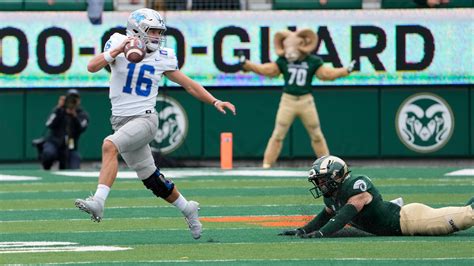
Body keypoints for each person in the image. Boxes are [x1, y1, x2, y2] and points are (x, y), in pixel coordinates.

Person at [75, 8, 236, 240]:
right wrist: (117, 51)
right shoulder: (118, 41)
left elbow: (189, 84)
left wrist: (214, 100)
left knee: (109, 145)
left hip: (145, 119)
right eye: (152, 31)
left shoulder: (163, 56)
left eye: (159, 32)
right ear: (136, 30)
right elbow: (92, 66)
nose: (156, 37)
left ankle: (98, 201)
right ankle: (187, 207)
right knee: (150, 178)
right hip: (121, 121)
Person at [279, 155, 474, 238]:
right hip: (399, 223)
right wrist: (303, 230)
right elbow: (325, 215)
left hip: (409, 221)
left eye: (322, 180)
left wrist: (322, 234)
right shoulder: (332, 197)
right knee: (465, 212)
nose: (320, 185)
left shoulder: (356, 185)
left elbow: (344, 215)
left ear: (337, 175)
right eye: (318, 181)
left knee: (468, 217)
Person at [241, 29, 355, 168]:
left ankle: (327, 165)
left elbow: (325, 74)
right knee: (278, 134)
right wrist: (248, 64)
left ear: (303, 45)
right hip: (288, 100)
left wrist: (344, 71)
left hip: (306, 100)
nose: (290, 51)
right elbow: (268, 70)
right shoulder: (283, 61)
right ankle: (267, 164)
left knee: (316, 135)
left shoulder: (313, 61)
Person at [38, 89, 89, 170]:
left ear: (79, 101)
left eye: (74, 99)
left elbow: (82, 128)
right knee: (48, 153)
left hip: (70, 146)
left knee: (74, 167)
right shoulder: (59, 111)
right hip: (54, 143)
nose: (72, 102)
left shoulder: (82, 114)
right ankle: (46, 167)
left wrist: (74, 116)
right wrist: (58, 108)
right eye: (70, 99)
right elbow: (48, 124)